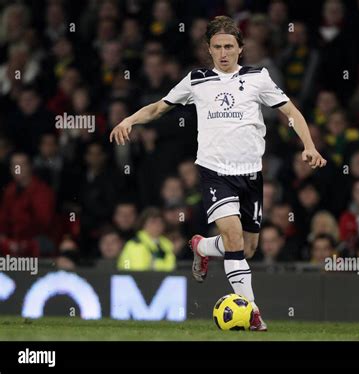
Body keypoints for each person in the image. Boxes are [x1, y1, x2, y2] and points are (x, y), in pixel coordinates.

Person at [110, 16, 326, 331]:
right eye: (217, 47)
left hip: (251, 175)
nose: (223, 53)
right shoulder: (196, 80)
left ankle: (201, 246)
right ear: (208, 50)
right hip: (215, 173)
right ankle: (253, 314)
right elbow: (159, 107)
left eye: (229, 46)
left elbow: (291, 112)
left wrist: (309, 145)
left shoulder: (258, 78)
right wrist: (129, 120)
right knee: (235, 238)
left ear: (240, 49)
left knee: (247, 248)